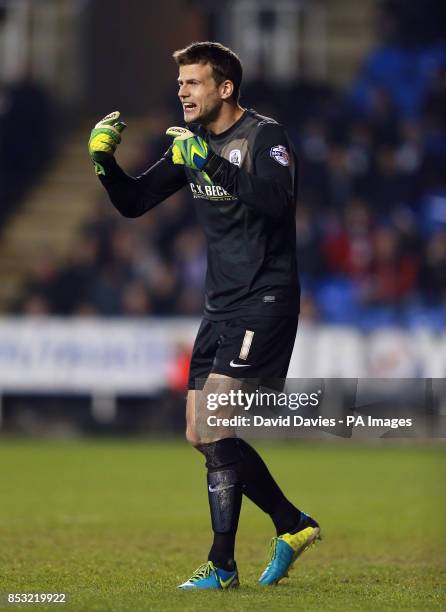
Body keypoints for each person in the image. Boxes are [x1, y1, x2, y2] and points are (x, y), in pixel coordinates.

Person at [88, 41, 320, 589]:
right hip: (219, 306)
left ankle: (222, 565)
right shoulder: (189, 146)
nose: (182, 93)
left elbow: (275, 201)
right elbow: (134, 202)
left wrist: (210, 163)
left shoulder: (266, 136)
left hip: (266, 298)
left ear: (224, 88)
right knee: (200, 432)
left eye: (192, 83)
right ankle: (292, 524)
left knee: (215, 421)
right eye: (180, 84)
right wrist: (104, 164)